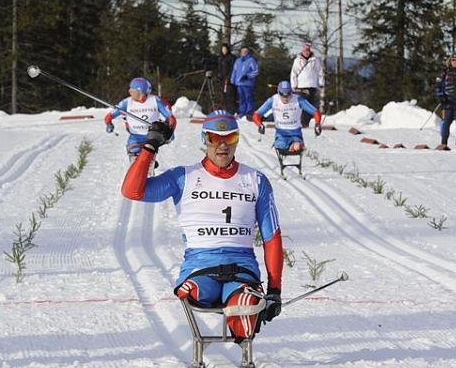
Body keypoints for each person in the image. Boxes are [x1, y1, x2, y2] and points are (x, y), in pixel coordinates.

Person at [120, 110, 283, 340]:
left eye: (230, 139)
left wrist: (275, 290)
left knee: (244, 303)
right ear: (204, 139)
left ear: (237, 139)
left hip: (243, 268)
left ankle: (245, 311)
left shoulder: (256, 180)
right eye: (215, 138)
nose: (223, 146)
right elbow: (132, 191)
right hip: (200, 266)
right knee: (198, 289)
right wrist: (150, 146)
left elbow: (272, 237)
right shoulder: (183, 176)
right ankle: (209, 294)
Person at [104, 77, 177, 158]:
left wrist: (170, 131)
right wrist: (108, 123)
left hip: (152, 136)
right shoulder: (126, 102)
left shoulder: (155, 100)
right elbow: (109, 116)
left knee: (148, 158)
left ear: (140, 91)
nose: (129, 91)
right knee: (134, 156)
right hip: (135, 138)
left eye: (132, 89)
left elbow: (171, 118)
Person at [252, 80, 322, 153]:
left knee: (297, 146)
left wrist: (317, 124)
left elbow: (315, 112)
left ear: (291, 92)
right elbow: (256, 114)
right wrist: (260, 125)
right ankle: (290, 146)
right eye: (282, 95)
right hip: (281, 133)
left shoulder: (298, 99)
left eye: (288, 95)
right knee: (281, 146)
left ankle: (296, 145)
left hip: (295, 133)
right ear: (278, 93)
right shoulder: (273, 100)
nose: (286, 98)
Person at [289, 43, 325, 127]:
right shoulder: (297, 60)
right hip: (301, 86)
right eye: (305, 50)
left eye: (308, 51)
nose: (307, 52)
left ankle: (306, 122)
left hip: (312, 85)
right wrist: (293, 85)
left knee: (310, 105)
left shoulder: (315, 60)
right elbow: (293, 73)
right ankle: (300, 121)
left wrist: (321, 82)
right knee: (301, 104)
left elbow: (320, 72)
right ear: (302, 51)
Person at [230, 47, 259, 119]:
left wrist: (247, 76)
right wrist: (232, 80)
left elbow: (256, 71)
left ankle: (249, 112)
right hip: (239, 83)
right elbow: (234, 71)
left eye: (245, 51)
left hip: (247, 83)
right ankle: (242, 112)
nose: (244, 53)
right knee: (241, 98)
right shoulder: (238, 61)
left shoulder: (251, 60)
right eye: (242, 51)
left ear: (248, 52)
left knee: (248, 98)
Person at [217, 43, 237, 115]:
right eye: (223, 49)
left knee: (230, 95)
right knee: (224, 96)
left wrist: (229, 77)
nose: (224, 51)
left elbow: (233, 69)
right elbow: (219, 68)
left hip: (229, 80)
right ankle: (227, 110)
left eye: (225, 49)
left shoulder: (231, 58)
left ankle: (232, 111)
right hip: (222, 80)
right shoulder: (221, 58)